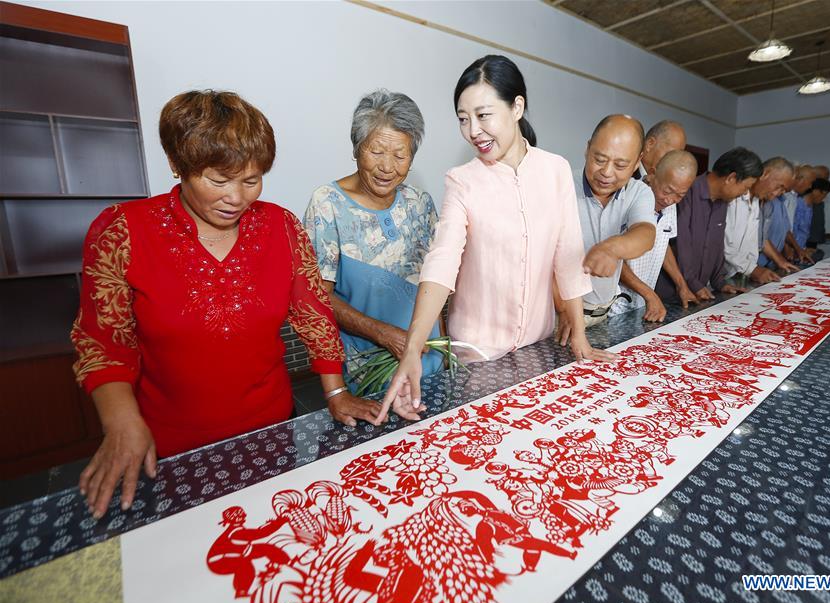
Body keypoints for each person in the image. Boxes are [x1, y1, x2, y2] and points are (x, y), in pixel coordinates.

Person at [71, 90, 377, 519]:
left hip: (271, 428)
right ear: (178, 164)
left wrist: (337, 390)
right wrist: (120, 423)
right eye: (218, 180)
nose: (237, 197)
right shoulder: (123, 232)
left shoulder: (280, 227)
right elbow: (103, 342)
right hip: (168, 444)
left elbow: (313, 314)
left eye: (251, 180)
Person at [379, 55, 614, 424]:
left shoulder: (554, 171)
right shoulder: (462, 181)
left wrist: (580, 336)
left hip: (538, 346)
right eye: (462, 118)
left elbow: (567, 255)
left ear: (517, 106)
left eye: (483, 115)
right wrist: (412, 349)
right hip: (478, 355)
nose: (473, 130)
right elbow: (442, 260)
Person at [304, 90, 443, 392]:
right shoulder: (328, 204)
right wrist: (383, 334)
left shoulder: (420, 203)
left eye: (400, 155)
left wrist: (445, 350)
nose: (387, 167)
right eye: (377, 151)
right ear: (356, 148)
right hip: (368, 372)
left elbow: (436, 282)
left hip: (428, 360)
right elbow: (316, 298)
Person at [564, 114, 655, 334]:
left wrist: (611, 248)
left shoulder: (639, 192)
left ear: (637, 162)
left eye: (621, 165)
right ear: (588, 149)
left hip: (603, 315)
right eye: (600, 159)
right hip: (561, 316)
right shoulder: (561, 183)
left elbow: (645, 234)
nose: (606, 173)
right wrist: (562, 310)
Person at [655, 147, 762, 303]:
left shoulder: (723, 202)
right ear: (731, 178)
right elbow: (681, 245)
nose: (744, 193)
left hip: (699, 291)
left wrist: (719, 282)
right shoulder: (687, 191)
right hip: (671, 293)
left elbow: (717, 245)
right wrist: (692, 283)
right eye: (745, 187)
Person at [612, 150, 697, 322]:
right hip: (613, 306)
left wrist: (682, 285)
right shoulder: (627, 198)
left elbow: (662, 243)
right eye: (667, 191)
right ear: (652, 174)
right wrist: (649, 294)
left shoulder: (669, 206)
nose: (669, 200)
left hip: (641, 305)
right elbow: (612, 257)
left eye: (680, 195)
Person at [724, 157, 796, 286]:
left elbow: (755, 241)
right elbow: (724, 243)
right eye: (779, 186)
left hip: (740, 275)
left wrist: (754, 268)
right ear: (765, 173)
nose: (778, 193)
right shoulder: (734, 196)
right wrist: (752, 269)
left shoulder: (757, 201)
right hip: (720, 277)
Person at [794, 178, 830, 259]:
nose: (824, 198)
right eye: (824, 194)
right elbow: (790, 231)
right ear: (816, 191)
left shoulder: (811, 207)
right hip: (793, 251)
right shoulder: (798, 204)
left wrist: (805, 248)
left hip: (801, 249)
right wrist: (798, 249)